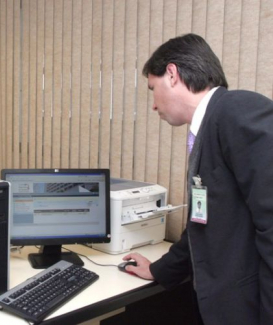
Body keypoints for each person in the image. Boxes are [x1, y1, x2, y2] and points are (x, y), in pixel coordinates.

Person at [122, 33, 273, 324]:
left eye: (153, 89)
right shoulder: (208, 128)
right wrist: (159, 270)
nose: (153, 105)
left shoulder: (236, 110)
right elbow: (202, 223)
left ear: (172, 74)